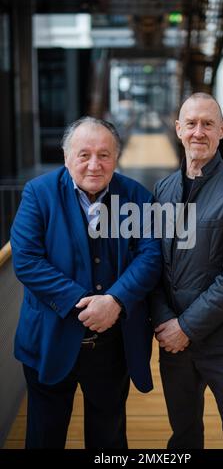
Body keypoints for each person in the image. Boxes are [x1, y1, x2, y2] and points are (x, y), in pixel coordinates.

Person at [11, 117, 161, 449]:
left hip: (113, 346)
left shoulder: (137, 196)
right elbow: (26, 260)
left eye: (104, 155)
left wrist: (115, 301)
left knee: (108, 438)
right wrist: (86, 302)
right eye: (84, 154)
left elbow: (150, 257)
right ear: (66, 157)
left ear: (117, 157)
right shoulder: (39, 194)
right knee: (43, 437)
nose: (95, 164)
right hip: (48, 340)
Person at [150, 93, 223, 449]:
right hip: (174, 346)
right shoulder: (163, 190)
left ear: (222, 130)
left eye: (207, 124)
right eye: (191, 123)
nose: (198, 131)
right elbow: (152, 264)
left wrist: (186, 327)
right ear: (178, 129)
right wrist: (166, 323)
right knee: (183, 437)